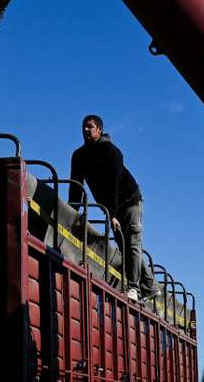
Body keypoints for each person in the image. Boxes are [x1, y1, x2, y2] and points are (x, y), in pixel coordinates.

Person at [68, 114, 154, 301]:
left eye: (90, 127)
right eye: (83, 127)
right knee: (124, 246)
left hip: (130, 200)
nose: (85, 130)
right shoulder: (79, 155)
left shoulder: (112, 152)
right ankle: (151, 286)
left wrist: (113, 214)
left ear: (99, 129)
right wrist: (71, 212)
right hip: (111, 206)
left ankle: (134, 288)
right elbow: (76, 185)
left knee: (132, 241)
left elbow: (114, 184)